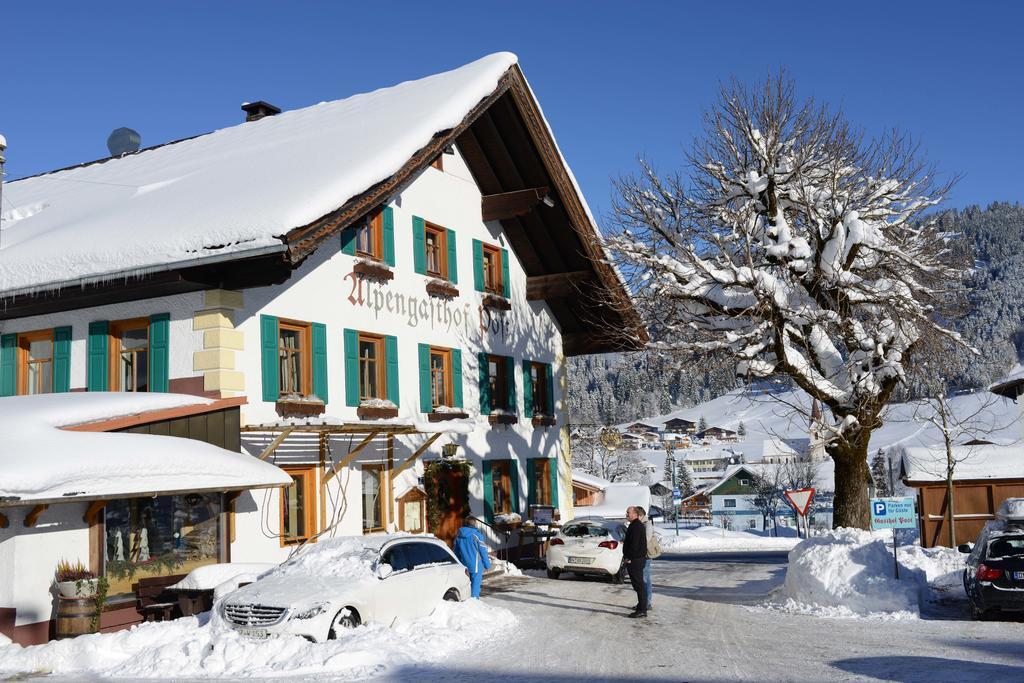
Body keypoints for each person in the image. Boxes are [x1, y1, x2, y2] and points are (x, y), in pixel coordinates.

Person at [453, 516, 492, 598]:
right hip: (476, 565)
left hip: (464, 563)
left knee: (466, 584)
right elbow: (483, 551)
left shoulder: (459, 536)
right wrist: (487, 565)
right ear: (474, 524)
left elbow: (456, 551)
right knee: (475, 585)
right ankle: (474, 603)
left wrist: (457, 563)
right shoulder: (477, 536)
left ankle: (467, 600)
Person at [623, 506, 648, 618]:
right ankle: (641, 605)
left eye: (628, 512)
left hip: (635, 560)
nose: (626, 514)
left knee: (639, 585)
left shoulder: (637, 526)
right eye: (627, 512)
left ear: (635, 514)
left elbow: (635, 545)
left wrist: (629, 557)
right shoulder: (634, 525)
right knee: (637, 584)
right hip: (635, 559)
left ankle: (642, 609)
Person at [637, 506, 654, 611]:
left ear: (640, 515)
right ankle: (643, 602)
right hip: (641, 555)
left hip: (646, 555)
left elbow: (646, 539)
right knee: (642, 579)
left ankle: (647, 602)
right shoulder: (641, 524)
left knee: (645, 579)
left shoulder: (647, 523)